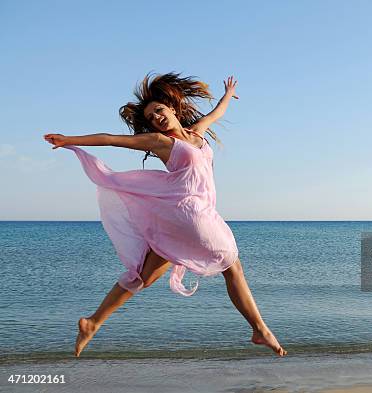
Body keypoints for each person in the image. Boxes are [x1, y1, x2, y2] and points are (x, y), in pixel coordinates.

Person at [43, 73, 287, 357]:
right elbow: (111, 139)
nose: (157, 117)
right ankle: (259, 328)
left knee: (143, 277)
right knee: (232, 267)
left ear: (172, 108)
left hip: (182, 218)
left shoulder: (196, 133)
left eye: (159, 110)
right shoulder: (160, 141)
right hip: (192, 215)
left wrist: (227, 95)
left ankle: (93, 322)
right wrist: (69, 140)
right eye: (151, 116)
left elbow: (216, 114)